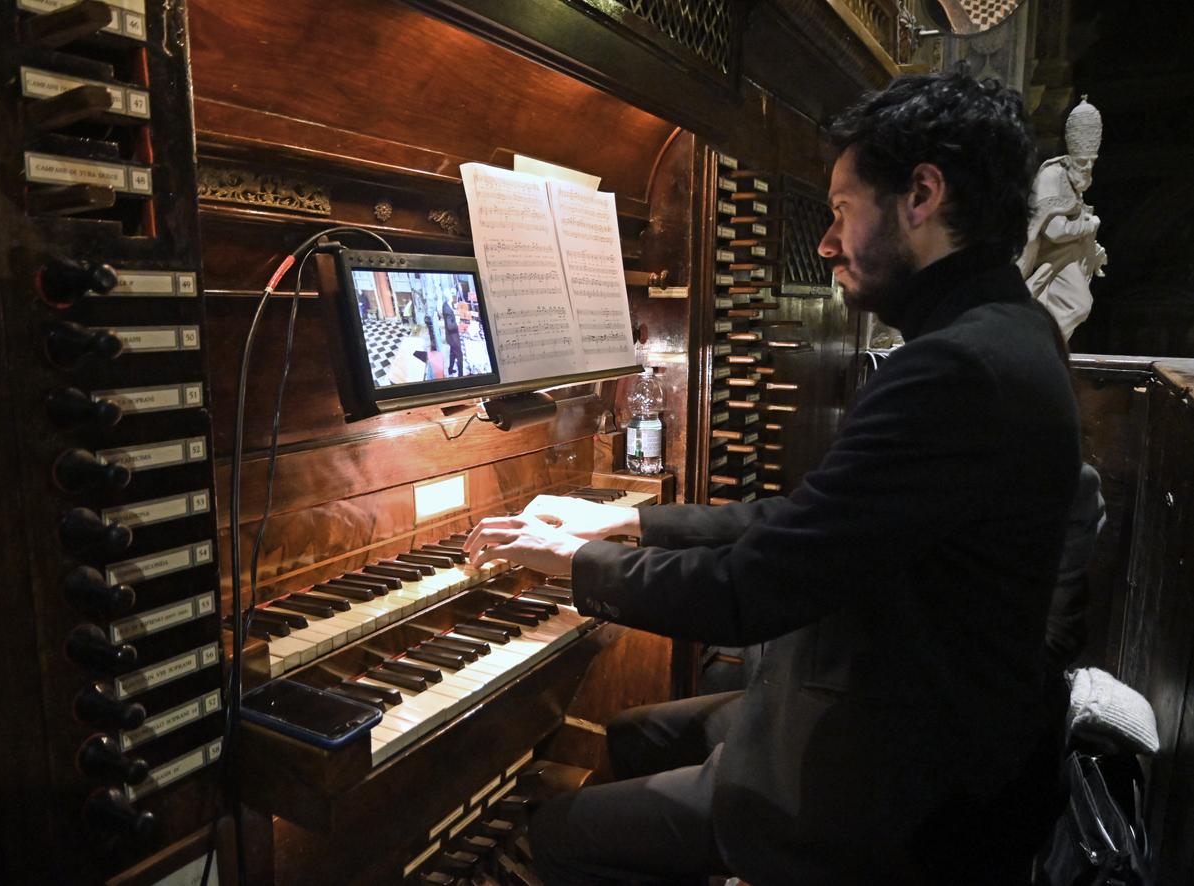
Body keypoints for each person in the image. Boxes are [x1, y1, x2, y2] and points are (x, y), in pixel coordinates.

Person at [463, 70, 1081, 886]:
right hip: (917, 709)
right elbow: (815, 519)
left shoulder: (957, 366)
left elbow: (748, 593)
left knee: (564, 832)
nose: (825, 243)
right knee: (634, 734)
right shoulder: (1009, 332)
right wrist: (626, 523)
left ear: (921, 195)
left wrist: (565, 563)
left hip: (905, 788)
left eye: (839, 209)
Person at [1017, 97, 1107, 342]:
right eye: (1081, 162)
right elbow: (1055, 231)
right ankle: (1040, 343)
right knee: (1078, 304)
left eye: (1092, 162)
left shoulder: (1076, 182)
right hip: (1047, 257)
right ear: (1069, 158)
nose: (1087, 168)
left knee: (1078, 305)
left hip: (1065, 259)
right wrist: (1090, 225)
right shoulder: (1052, 175)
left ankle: (1044, 345)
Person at [442, 289, 465, 377]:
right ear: (449, 297)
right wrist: (457, 321)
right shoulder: (448, 310)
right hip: (453, 337)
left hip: (450, 337)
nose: (452, 296)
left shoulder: (445, 304)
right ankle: (461, 374)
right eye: (451, 295)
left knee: (452, 353)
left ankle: (450, 369)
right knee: (459, 355)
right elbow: (450, 326)